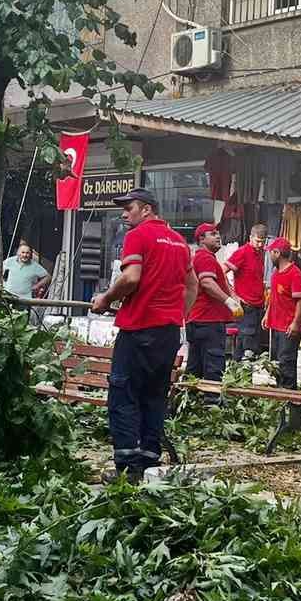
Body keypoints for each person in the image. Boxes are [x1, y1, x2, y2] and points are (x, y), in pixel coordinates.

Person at [90, 187, 196, 484]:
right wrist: (176, 314)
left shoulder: (137, 235)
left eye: (129, 208)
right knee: (153, 395)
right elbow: (192, 286)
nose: (124, 214)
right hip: (167, 333)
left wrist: (106, 299)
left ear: (146, 209)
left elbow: (131, 277)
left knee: (123, 395)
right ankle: (150, 462)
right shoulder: (178, 241)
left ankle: (127, 468)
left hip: (138, 329)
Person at [185, 222, 242, 383]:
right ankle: (212, 403)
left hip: (198, 320)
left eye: (218, 233)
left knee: (195, 369)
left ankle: (190, 403)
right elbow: (207, 283)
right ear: (201, 239)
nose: (218, 236)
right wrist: (229, 301)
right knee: (213, 369)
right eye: (213, 234)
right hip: (208, 321)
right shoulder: (205, 257)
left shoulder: (201, 257)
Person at [264, 238, 301, 389]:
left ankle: (289, 395)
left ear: (277, 253)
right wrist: (267, 314)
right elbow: (274, 297)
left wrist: (296, 322)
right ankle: (280, 394)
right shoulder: (276, 272)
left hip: (288, 327)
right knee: (277, 364)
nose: (269, 256)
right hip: (276, 324)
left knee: (287, 363)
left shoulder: (295, 273)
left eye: (271, 252)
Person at [225, 223, 268, 358]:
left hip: (259, 306)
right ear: (250, 238)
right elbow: (222, 271)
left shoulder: (261, 254)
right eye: (257, 241)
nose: (260, 245)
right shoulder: (242, 252)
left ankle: (236, 372)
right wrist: (233, 295)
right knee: (247, 347)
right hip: (246, 306)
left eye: (262, 242)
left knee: (250, 345)